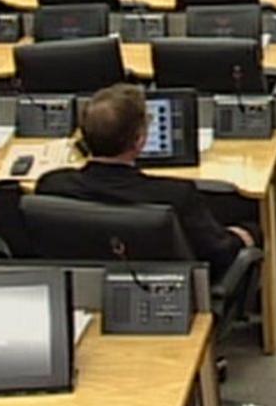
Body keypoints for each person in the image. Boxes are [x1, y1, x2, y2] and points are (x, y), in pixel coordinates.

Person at [36, 84, 258, 278]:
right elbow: (218, 254)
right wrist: (242, 237)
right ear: (140, 141)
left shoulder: (51, 185)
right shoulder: (175, 195)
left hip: (82, 290)